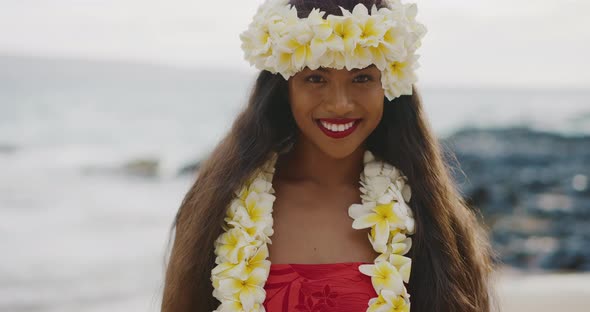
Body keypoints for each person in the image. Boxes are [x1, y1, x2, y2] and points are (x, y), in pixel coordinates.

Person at [161, 0, 496, 311]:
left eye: (362, 77)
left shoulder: (426, 214)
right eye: (316, 78)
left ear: (390, 84)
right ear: (285, 85)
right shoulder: (220, 207)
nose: (340, 103)